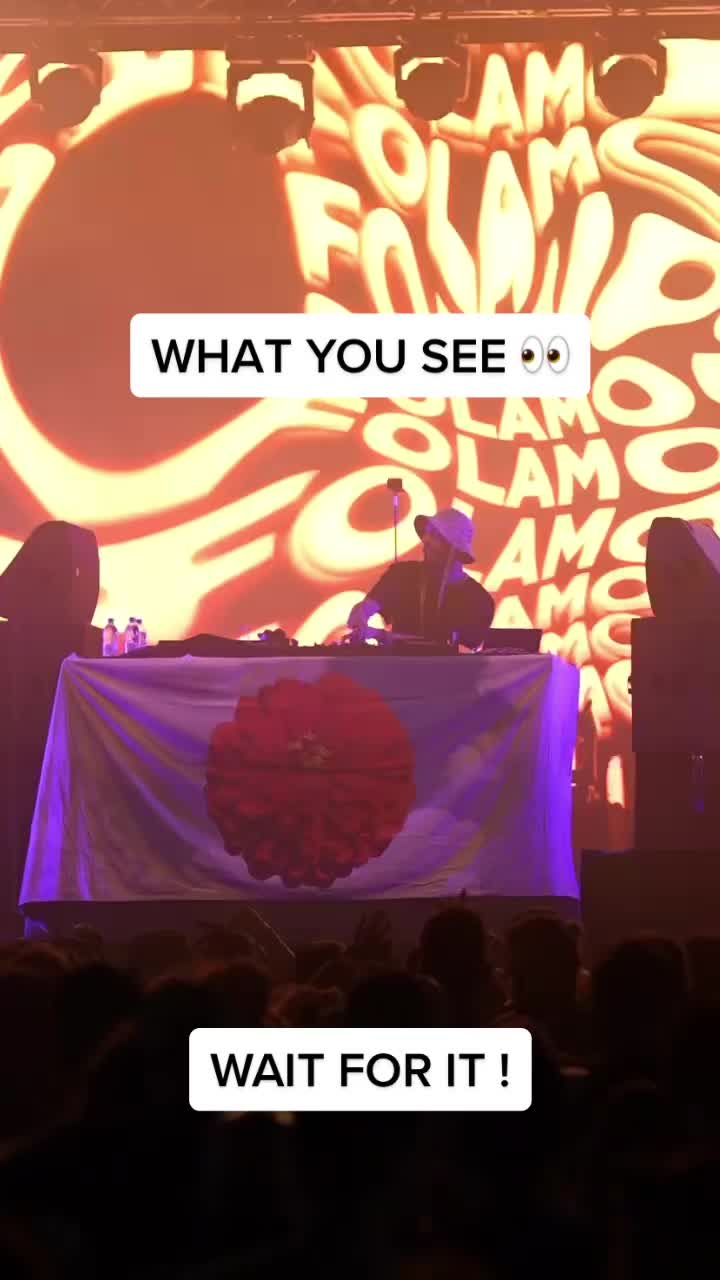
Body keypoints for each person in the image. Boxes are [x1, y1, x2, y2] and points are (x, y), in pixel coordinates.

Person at [347, 509, 494, 649]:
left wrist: (380, 635)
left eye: (435, 535)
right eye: (427, 533)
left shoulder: (480, 601)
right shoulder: (401, 575)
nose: (425, 540)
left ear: (454, 549)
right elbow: (366, 607)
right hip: (399, 666)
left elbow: (460, 653)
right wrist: (360, 616)